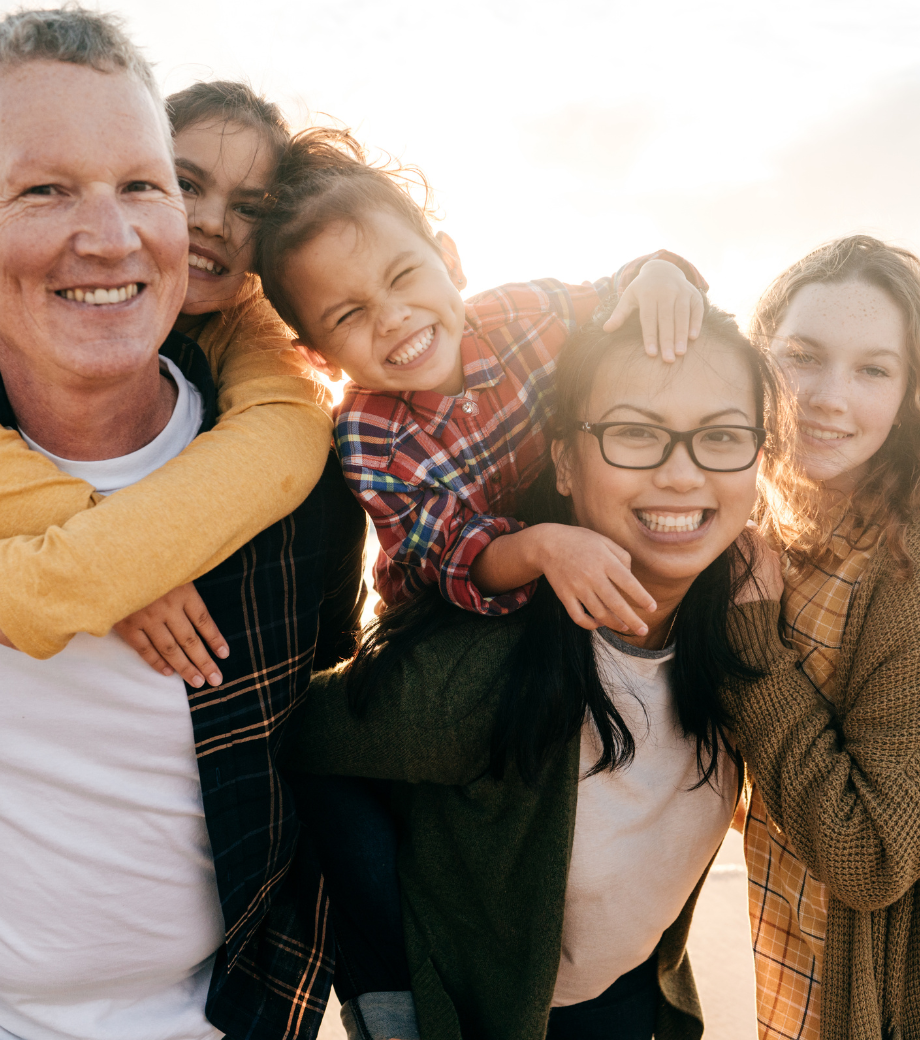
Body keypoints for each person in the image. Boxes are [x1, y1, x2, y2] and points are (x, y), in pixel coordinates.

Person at [283, 298, 793, 1040]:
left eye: (721, 436)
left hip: (634, 1002)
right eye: (634, 434)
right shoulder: (486, 674)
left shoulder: (753, 622)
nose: (681, 474)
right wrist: (391, 986)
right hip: (502, 1017)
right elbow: (306, 740)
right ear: (562, 460)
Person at [0, 9, 365, 1040]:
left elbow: (338, 717)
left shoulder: (301, 463)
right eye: (44, 186)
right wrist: (106, 551)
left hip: (227, 1009)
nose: (113, 234)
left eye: (141, 185)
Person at [256, 126, 709, 637]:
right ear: (320, 359)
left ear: (449, 260)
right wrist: (544, 546)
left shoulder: (521, 314)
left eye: (403, 276)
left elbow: (614, 295)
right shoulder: (369, 438)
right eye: (348, 315)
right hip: (449, 617)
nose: (392, 318)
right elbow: (457, 556)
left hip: (580, 547)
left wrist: (658, 275)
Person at [0, 76, 334, 690]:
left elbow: (286, 434)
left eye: (250, 207)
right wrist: (122, 572)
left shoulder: (253, 329)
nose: (211, 222)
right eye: (185, 184)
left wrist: (119, 566)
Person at [718, 235, 920, 1040]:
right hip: (790, 963)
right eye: (802, 356)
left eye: (874, 369)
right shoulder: (766, 527)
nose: (829, 398)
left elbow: (872, 855)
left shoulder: (902, 572)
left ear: (909, 392)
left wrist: (755, 653)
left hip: (875, 998)